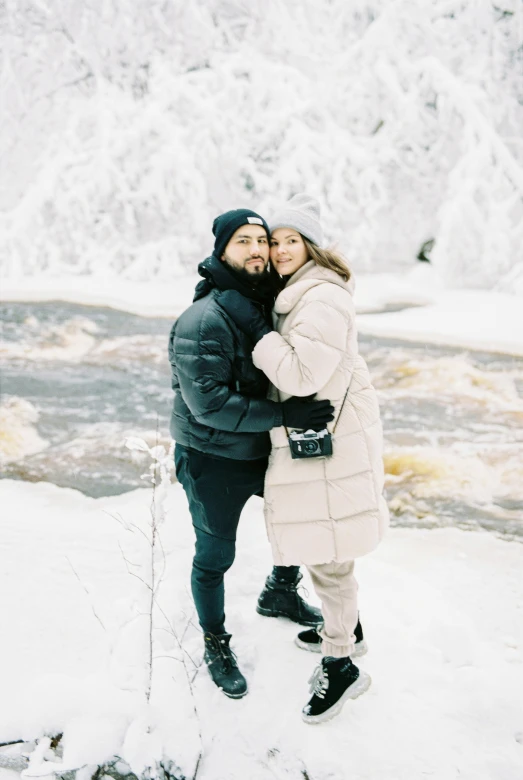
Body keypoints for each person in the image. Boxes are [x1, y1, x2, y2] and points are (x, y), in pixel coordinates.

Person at [217, 194, 389, 723]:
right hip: (324, 434)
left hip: (326, 441)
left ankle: (342, 665)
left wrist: (258, 333)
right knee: (327, 544)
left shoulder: (319, 299)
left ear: (311, 247)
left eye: (293, 240)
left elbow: (299, 376)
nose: (280, 249)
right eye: (276, 240)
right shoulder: (304, 292)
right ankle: (346, 627)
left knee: (330, 555)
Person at [168, 208, 335, 699]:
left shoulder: (268, 305)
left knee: (301, 519)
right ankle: (215, 642)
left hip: (264, 448)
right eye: (243, 241)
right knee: (216, 553)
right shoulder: (204, 319)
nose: (258, 249)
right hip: (213, 456)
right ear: (222, 250)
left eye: (262, 240)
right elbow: (209, 405)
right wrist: (287, 416)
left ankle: (279, 592)